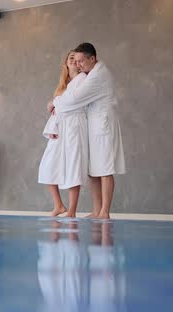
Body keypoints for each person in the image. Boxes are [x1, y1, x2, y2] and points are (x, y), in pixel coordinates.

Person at [49, 43, 126, 219]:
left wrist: (54, 102)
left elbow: (73, 100)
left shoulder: (98, 76)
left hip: (103, 124)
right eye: (76, 61)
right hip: (93, 125)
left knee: (105, 169)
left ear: (92, 58)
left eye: (81, 61)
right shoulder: (89, 73)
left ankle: (105, 212)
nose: (79, 65)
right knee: (93, 171)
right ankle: (97, 210)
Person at [38, 51, 89, 218]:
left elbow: (69, 103)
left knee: (73, 166)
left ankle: (72, 211)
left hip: (74, 126)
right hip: (60, 128)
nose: (74, 60)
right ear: (66, 63)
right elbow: (55, 110)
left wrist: (53, 102)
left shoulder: (83, 80)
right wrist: (53, 127)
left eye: (77, 58)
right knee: (48, 165)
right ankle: (59, 205)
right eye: (70, 58)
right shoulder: (64, 86)